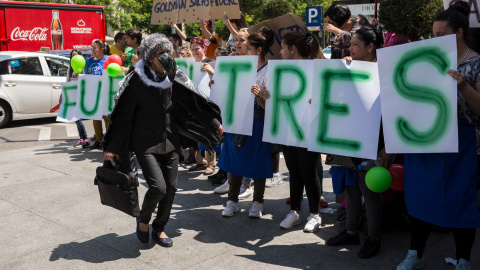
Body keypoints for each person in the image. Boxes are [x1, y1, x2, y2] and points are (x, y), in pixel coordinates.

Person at [103, 33, 223, 247]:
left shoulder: (173, 77)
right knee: (158, 188)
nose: (166, 57)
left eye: (168, 52)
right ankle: (144, 220)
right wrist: (112, 147)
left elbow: (192, 101)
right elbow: (122, 116)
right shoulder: (137, 80)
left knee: (171, 188)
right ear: (150, 57)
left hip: (170, 141)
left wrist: (214, 123)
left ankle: (159, 227)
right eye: (160, 54)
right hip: (146, 143)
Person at [396, 2, 480, 270]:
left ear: (458, 33)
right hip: (426, 140)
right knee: (421, 197)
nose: (434, 40)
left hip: (464, 144)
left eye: (440, 35)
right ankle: (415, 253)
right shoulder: (425, 62)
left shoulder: (476, 63)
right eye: (432, 34)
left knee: (461, 201)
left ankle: (463, 259)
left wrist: (464, 86)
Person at [325, 25, 386, 259]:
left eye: (355, 44)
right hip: (347, 136)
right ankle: (351, 231)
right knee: (351, 187)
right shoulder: (348, 67)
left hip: (372, 139)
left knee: (369, 190)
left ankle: (373, 237)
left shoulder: (384, 72)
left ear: (371, 47)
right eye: (351, 44)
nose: (350, 48)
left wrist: (385, 147)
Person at [218, 27, 275, 218]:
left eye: (248, 47)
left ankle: (257, 202)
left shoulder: (270, 70)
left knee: (257, 160)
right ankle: (232, 200)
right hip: (238, 117)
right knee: (235, 159)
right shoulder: (240, 66)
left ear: (258, 50)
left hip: (257, 120)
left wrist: (259, 97)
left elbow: (272, 107)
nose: (244, 49)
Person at [271, 32, 323, 232]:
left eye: (283, 47)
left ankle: (315, 213)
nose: (280, 52)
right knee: (293, 171)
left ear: (292, 49)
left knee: (308, 171)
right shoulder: (281, 70)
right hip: (287, 126)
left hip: (307, 128)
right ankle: (295, 211)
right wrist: (266, 95)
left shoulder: (317, 69)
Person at [187, 38, 217, 175]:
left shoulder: (211, 62)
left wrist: (211, 71)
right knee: (198, 133)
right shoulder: (192, 65)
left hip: (209, 103)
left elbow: (219, 80)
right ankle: (201, 161)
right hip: (195, 102)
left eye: (197, 49)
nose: (195, 52)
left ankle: (212, 163)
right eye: (192, 49)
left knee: (209, 132)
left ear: (203, 49)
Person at [85, 39, 110, 149]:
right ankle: (99, 140)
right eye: (92, 48)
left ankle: (109, 140)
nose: (93, 50)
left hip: (105, 93)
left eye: (94, 48)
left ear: (102, 49)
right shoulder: (89, 61)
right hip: (94, 94)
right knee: (95, 117)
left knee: (107, 117)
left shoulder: (108, 60)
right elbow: (85, 75)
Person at [61, 49, 89, 148]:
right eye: (72, 55)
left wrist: (80, 76)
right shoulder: (70, 68)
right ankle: (82, 138)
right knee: (76, 118)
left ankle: (85, 138)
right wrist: (63, 94)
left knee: (77, 118)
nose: (74, 57)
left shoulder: (82, 67)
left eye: (76, 55)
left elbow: (87, 80)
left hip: (80, 94)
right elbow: (67, 81)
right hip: (72, 94)